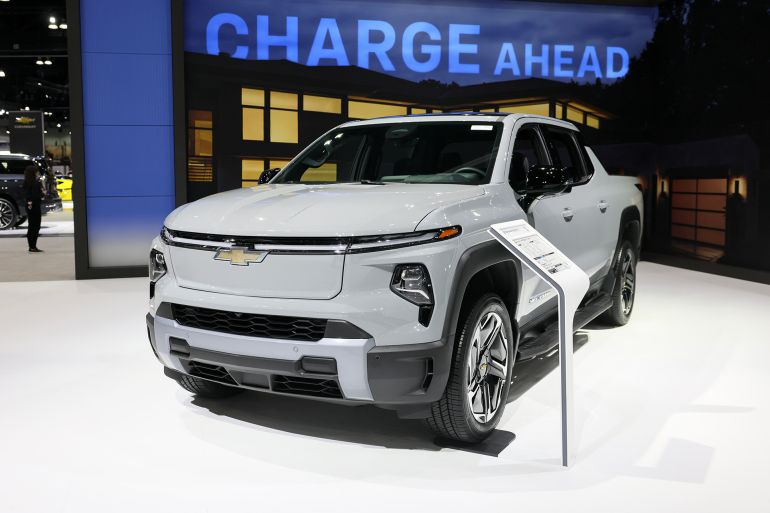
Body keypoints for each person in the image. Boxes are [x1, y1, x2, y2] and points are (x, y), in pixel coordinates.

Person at [22, 165, 43, 253]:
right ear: (33, 173)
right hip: (35, 205)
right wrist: (42, 194)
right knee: (36, 226)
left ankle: (31, 246)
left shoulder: (26, 182)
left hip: (28, 205)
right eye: (37, 172)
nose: (38, 173)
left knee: (31, 225)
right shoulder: (36, 183)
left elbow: (26, 195)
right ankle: (33, 246)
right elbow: (36, 195)